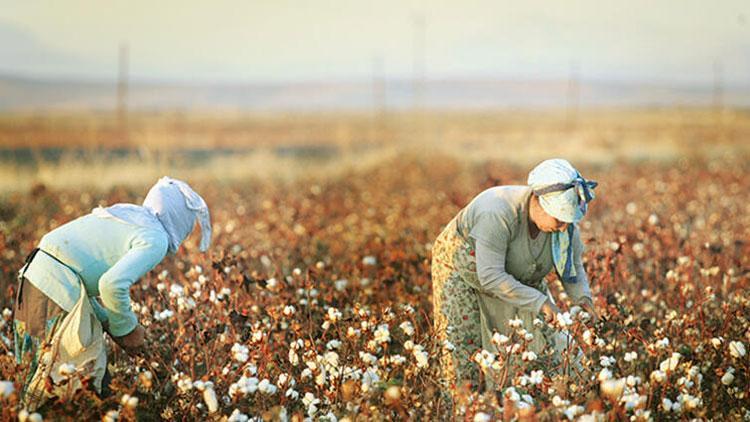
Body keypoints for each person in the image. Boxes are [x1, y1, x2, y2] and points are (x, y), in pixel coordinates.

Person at [13, 176, 211, 408]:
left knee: (35, 379)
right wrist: (128, 331)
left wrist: (111, 323)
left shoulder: (130, 216)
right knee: (79, 388)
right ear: (181, 220)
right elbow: (111, 285)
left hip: (36, 277)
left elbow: (78, 279)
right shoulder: (155, 237)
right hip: (54, 287)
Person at [431, 158, 598, 403]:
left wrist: (583, 300)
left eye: (568, 220)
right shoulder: (497, 212)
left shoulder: (565, 227)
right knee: (464, 351)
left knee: (547, 341)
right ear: (538, 203)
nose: (563, 227)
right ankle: (465, 410)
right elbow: (490, 276)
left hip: (522, 277)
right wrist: (540, 302)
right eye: (559, 219)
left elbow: (572, 268)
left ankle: (533, 403)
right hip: (465, 274)